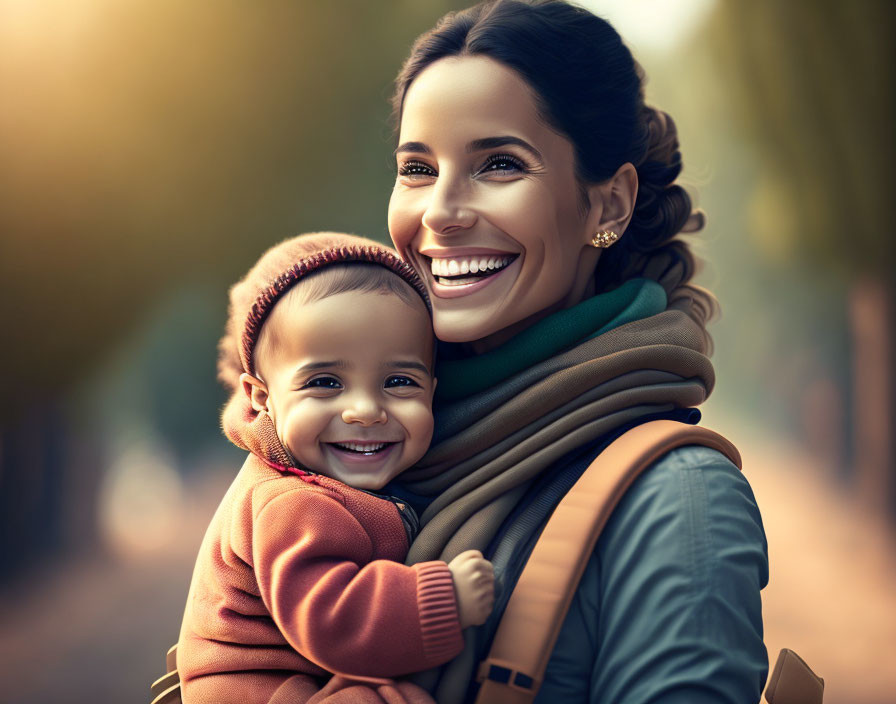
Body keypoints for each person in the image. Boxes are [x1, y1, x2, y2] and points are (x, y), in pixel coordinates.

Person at [385, 1, 769, 702]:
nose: (440, 211)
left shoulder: (676, 502)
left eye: (499, 163)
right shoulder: (362, 445)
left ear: (609, 207)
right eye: (417, 168)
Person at [176, 232, 495, 704]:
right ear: (261, 397)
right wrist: (443, 598)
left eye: (398, 381)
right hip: (257, 688)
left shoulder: (319, 471)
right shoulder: (290, 502)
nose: (365, 410)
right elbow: (332, 620)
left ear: (432, 389)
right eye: (325, 382)